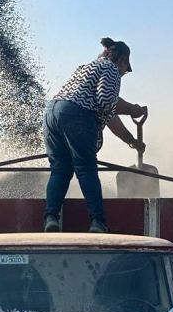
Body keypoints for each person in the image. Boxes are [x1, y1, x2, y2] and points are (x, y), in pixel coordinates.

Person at [44, 37, 147, 233]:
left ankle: (51, 218)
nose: (125, 73)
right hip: (76, 115)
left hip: (52, 114)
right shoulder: (110, 69)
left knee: (60, 169)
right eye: (127, 68)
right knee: (86, 168)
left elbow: (107, 114)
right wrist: (133, 109)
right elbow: (108, 102)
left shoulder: (86, 68)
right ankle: (98, 222)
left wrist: (131, 141)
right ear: (122, 60)